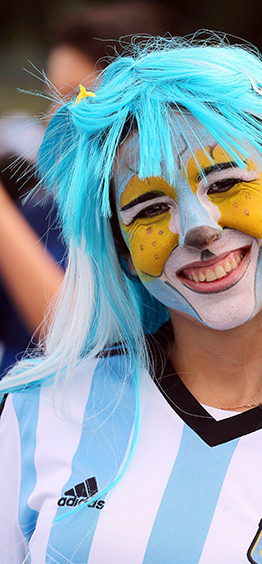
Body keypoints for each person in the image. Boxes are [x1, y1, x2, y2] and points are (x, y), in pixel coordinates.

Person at [0, 36, 262, 564]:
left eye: (226, 182)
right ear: (123, 250)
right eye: (151, 207)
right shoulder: (39, 414)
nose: (198, 227)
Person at [0, 2, 188, 378]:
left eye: (76, 98)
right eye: (53, 98)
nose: (55, 118)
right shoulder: (43, 205)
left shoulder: (152, 216)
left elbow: (75, 334)